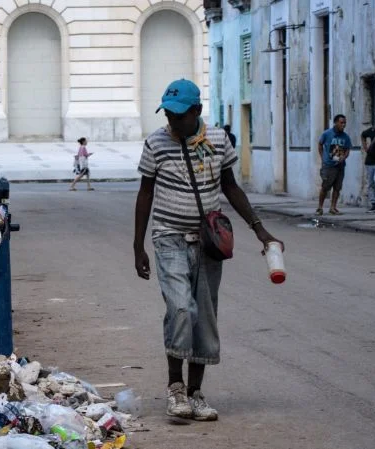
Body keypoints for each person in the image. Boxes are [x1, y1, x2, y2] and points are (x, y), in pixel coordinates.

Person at [134, 79, 281, 421]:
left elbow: (230, 187)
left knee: (204, 315)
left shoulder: (217, 140)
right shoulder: (156, 143)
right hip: (168, 237)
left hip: (208, 242)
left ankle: (196, 393)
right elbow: (145, 194)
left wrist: (259, 230)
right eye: (168, 114)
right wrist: (137, 245)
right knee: (182, 308)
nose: (171, 121)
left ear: (197, 112)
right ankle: (175, 389)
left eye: (179, 115)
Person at [316, 115, 352, 216]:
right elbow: (320, 144)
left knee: (337, 187)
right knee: (325, 186)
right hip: (329, 165)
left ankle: (333, 207)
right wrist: (323, 157)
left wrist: (344, 157)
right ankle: (320, 207)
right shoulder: (327, 134)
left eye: (344, 123)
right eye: (341, 123)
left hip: (340, 165)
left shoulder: (345, 137)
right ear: (336, 123)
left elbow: (348, 149)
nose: (343, 125)